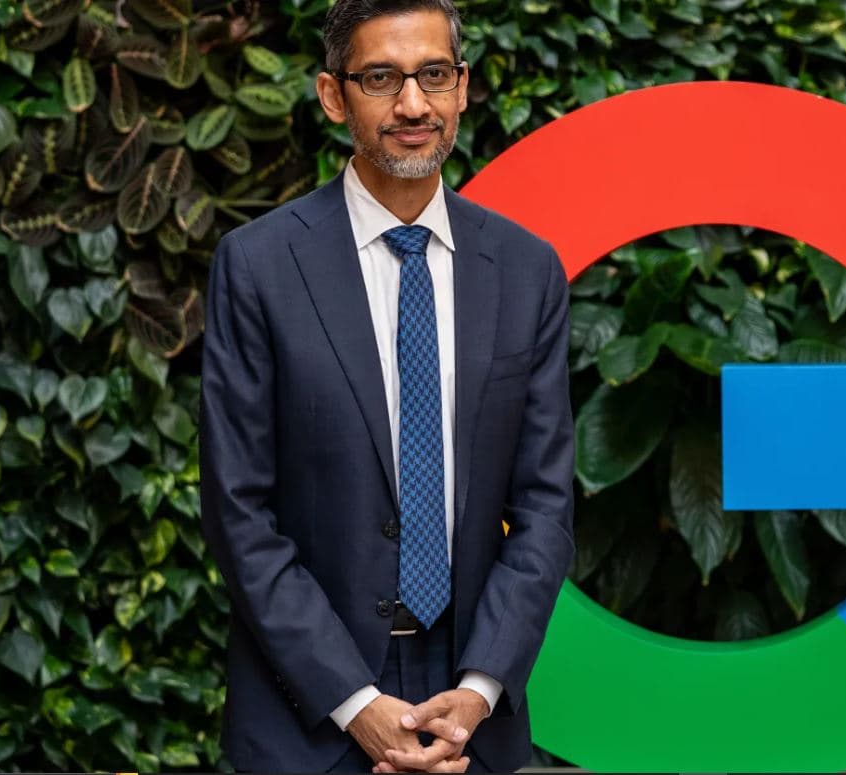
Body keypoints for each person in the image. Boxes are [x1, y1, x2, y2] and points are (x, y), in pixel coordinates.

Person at [198, 1, 575, 771]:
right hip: (310, 713)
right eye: (381, 78)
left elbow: (544, 506)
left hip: (475, 712)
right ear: (334, 95)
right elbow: (238, 510)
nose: (413, 104)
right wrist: (357, 703)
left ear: (462, 87)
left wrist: (478, 689)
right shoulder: (259, 268)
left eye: (433, 75)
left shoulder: (527, 270)